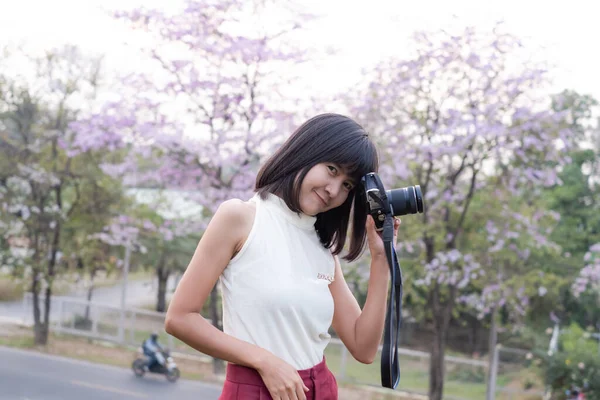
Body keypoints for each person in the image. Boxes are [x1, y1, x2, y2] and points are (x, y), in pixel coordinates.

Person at [165, 113, 401, 400]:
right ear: (306, 151)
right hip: (258, 388)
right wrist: (264, 361)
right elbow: (180, 318)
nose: (333, 189)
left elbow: (363, 348)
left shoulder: (322, 248)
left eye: (348, 185)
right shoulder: (240, 217)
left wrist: (380, 259)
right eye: (331, 169)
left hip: (320, 389)